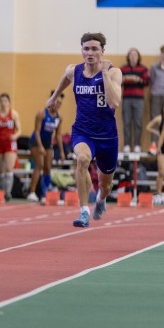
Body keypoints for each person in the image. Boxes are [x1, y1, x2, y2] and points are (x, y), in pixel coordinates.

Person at [46, 32, 122, 228]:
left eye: (95, 49)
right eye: (86, 49)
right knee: (82, 159)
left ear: (102, 51)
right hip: (83, 131)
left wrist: (104, 73)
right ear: (81, 51)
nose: (90, 53)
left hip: (107, 136)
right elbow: (65, 77)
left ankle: (100, 199)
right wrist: (54, 97)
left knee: (105, 185)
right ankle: (84, 211)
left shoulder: (114, 73)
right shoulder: (74, 71)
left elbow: (114, 102)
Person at [26, 91, 65, 203]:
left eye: (60, 104)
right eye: (56, 103)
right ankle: (32, 192)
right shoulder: (42, 113)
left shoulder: (59, 117)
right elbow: (37, 131)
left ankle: (44, 193)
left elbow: (58, 135)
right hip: (36, 141)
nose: (58, 106)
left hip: (48, 143)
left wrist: (62, 152)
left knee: (47, 167)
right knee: (39, 165)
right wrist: (40, 146)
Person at [0, 93, 21, 201]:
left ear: (8, 102)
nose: (3, 103)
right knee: (0, 169)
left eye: (5, 101)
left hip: (9, 142)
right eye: (1, 101)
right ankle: (2, 191)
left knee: (8, 168)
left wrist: (15, 136)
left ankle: (8, 193)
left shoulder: (13, 114)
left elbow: (19, 130)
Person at [120, 47, 150, 153]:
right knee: (126, 122)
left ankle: (137, 145)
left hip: (139, 99)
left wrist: (139, 80)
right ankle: (127, 145)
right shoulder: (123, 69)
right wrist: (123, 79)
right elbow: (117, 81)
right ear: (128, 57)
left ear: (138, 57)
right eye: (131, 55)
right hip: (126, 98)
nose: (133, 57)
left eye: (135, 55)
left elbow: (147, 82)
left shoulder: (143, 69)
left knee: (138, 122)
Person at [146, 101, 164, 203]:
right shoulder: (159, 118)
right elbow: (148, 127)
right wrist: (157, 132)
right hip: (162, 147)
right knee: (161, 171)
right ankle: (158, 192)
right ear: (163, 108)